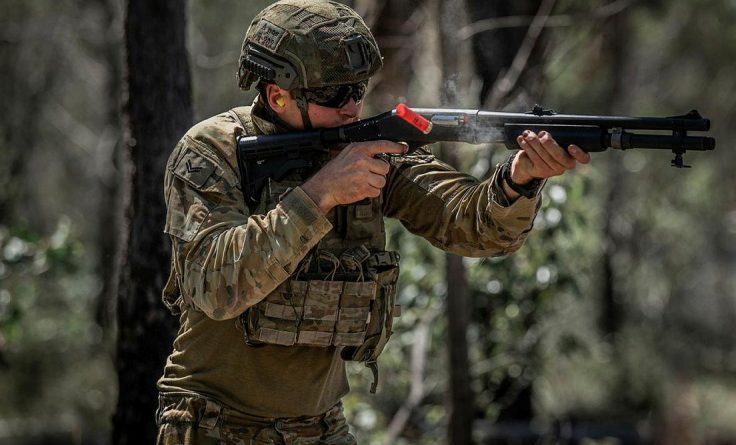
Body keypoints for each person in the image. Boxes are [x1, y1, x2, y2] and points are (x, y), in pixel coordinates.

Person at [155, 0, 590, 443]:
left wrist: (520, 180)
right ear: (276, 95)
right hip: (213, 425)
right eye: (332, 95)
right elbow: (215, 285)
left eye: (358, 90)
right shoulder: (213, 151)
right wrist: (320, 194)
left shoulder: (370, 147)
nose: (351, 107)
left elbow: (472, 226)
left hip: (321, 427)